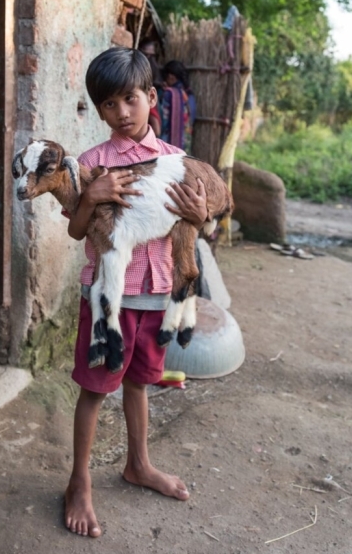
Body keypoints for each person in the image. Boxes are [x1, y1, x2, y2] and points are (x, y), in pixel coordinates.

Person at [63, 47, 208, 538]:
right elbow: (77, 232)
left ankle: (138, 464)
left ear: (151, 97)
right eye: (107, 105)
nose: (120, 114)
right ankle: (79, 481)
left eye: (129, 100)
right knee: (95, 387)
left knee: (140, 382)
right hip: (110, 299)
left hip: (158, 294)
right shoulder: (92, 164)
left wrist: (200, 214)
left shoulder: (178, 163)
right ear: (99, 110)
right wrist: (93, 197)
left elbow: (195, 227)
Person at [161, 60, 196, 153]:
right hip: (186, 142)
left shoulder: (169, 94)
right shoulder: (189, 95)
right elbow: (192, 117)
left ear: (171, 76)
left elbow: (163, 122)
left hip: (169, 143)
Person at [138, 39, 163, 136]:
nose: (149, 58)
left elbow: (156, 130)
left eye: (151, 56)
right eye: (146, 55)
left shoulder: (151, 66)